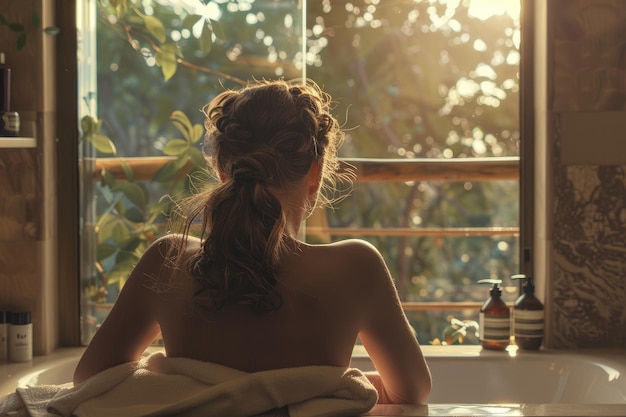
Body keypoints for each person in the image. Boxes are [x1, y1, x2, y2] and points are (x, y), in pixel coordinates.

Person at [73, 79, 432, 405]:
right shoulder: (356, 268)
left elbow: (91, 380)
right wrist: (322, 387)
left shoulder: (168, 260)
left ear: (222, 170)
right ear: (316, 173)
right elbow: (411, 391)